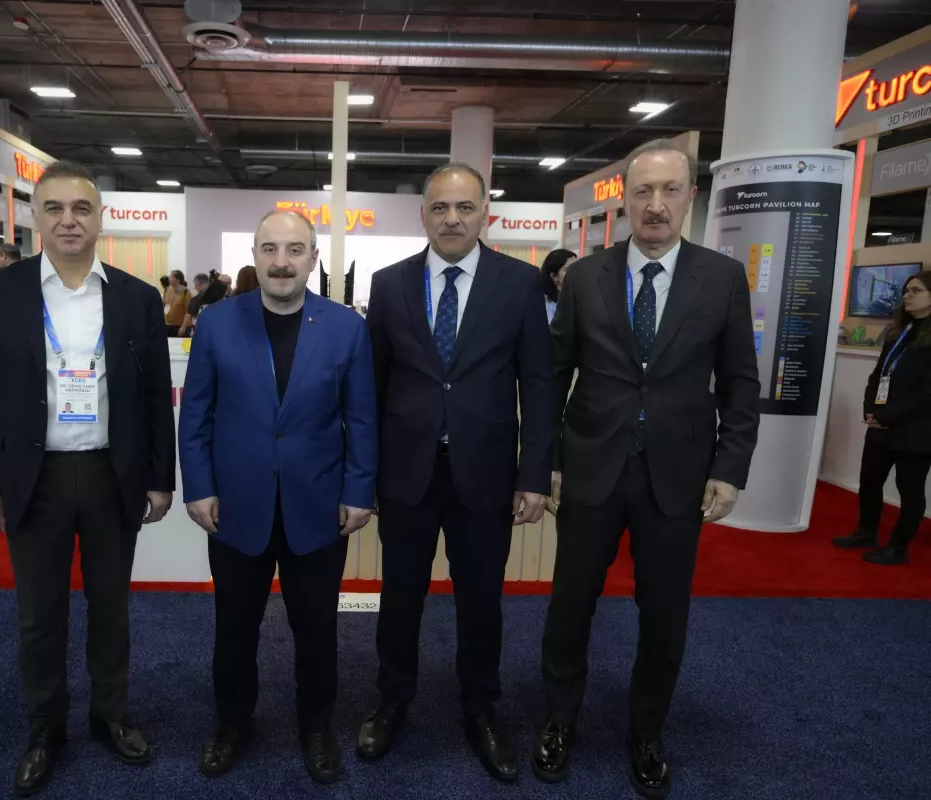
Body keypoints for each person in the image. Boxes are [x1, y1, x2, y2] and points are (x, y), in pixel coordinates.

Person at [535, 139, 760, 799]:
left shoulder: (722, 278)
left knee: (663, 615)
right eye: (643, 192)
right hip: (590, 470)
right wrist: (547, 461)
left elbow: (740, 383)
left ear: (691, 197)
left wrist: (730, 466)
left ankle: (646, 731)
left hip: (678, 475)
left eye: (669, 190)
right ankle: (559, 720)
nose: (655, 204)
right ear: (625, 201)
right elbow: (552, 376)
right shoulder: (585, 277)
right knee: (570, 605)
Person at [0, 160, 175, 797]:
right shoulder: (1, 293)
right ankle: (45, 728)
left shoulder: (136, 297)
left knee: (112, 609)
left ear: (100, 218)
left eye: (81, 208)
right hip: (35, 477)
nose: (68, 220)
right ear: (35, 217)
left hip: (113, 475)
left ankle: (111, 716)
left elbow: (153, 397)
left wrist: (159, 478)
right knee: (39, 616)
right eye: (54, 208)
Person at [359, 163, 553, 783]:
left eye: (464, 208)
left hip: (486, 473)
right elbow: (371, 387)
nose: (452, 219)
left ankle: (481, 710)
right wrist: (364, 475)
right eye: (440, 207)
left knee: (481, 602)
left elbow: (539, 385)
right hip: (406, 473)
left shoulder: (519, 283)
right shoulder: (389, 284)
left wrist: (534, 475)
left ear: (484, 215)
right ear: (423, 215)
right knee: (400, 597)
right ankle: (392, 701)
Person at [179, 210, 376, 784]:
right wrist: (199, 486)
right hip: (236, 505)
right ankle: (232, 721)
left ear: (313, 258)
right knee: (234, 626)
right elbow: (196, 415)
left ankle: (316, 726)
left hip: (318, 506)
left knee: (316, 629)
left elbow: (362, 419)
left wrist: (359, 490)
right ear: (254, 256)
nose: (281, 261)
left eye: (294, 250)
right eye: (270, 249)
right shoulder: (217, 322)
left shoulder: (346, 328)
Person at [834, 270, 931, 565]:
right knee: (869, 480)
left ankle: (898, 547)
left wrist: (888, 415)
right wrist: (870, 407)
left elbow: (927, 394)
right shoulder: (899, 331)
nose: (907, 296)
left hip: (916, 429)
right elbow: (879, 374)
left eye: (916, 290)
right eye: (906, 291)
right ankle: (866, 532)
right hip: (881, 423)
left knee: (909, 490)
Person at [541, 249, 576, 322]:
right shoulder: (544, 307)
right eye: (569, 269)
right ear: (554, 276)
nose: (576, 272)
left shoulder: (582, 300)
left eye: (577, 268)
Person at [180, 272, 212, 336]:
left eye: (195, 285)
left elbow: (188, 316)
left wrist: (182, 328)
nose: (195, 288)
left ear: (198, 285)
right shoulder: (217, 296)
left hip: (200, 330)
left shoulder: (196, 299)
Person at [164, 270, 192, 337]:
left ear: (178, 280)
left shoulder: (186, 293)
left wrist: (183, 327)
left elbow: (189, 312)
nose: (169, 278)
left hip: (180, 327)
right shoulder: (167, 290)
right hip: (168, 326)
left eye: (171, 277)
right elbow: (166, 306)